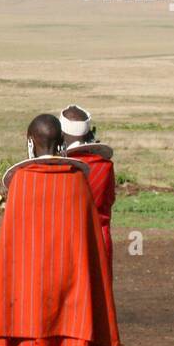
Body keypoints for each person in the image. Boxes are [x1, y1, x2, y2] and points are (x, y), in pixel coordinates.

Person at [0, 114, 123, 346]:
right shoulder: (76, 180)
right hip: (71, 285)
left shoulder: (22, 182)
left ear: (31, 143)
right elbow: (86, 238)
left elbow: (12, 247)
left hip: (31, 286)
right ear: (59, 144)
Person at [59, 104, 116, 276]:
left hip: (65, 246)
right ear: (89, 134)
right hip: (99, 244)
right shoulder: (105, 167)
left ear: (61, 135)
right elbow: (109, 200)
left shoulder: (60, 168)